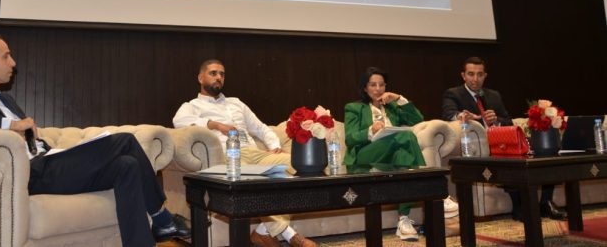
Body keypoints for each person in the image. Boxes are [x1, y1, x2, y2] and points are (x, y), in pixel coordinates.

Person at [0, 31, 190, 247]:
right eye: (6, 56)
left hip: (50, 162)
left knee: (127, 165)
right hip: (33, 173)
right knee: (125, 141)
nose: (13, 62)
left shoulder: (6, 99)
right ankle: (161, 218)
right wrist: (11, 124)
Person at [173, 59, 317, 247]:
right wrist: (215, 125)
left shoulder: (236, 103)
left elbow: (260, 128)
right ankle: (291, 236)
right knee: (255, 180)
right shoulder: (192, 106)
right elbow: (179, 121)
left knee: (298, 166)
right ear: (200, 78)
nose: (218, 77)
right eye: (213, 73)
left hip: (254, 152)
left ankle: (263, 232)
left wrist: (274, 145)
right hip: (228, 156)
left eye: (222, 74)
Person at [441, 56, 567, 221]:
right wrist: (465, 116)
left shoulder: (493, 95)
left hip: (502, 142)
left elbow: (508, 121)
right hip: (480, 145)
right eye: (471, 74)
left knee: (546, 155)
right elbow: (448, 114)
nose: (475, 79)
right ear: (463, 76)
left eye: (480, 74)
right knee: (509, 159)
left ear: (485, 76)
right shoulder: (454, 94)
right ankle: (519, 207)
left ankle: (546, 202)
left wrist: (496, 120)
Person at [344, 67, 458, 241]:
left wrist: (399, 99)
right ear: (365, 88)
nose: (378, 89)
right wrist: (370, 130)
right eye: (373, 85)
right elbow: (350, 138)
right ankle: (439, 193)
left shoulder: (392, 107)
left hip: (391, 153)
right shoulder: (354, 108)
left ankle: (403, 220)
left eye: (382, 85)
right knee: (407, 136)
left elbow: (418, 119)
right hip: (365, 155)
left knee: (404, 158)